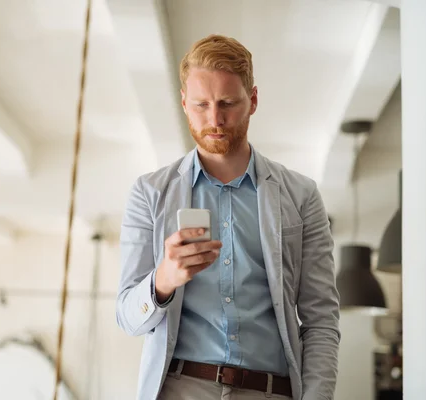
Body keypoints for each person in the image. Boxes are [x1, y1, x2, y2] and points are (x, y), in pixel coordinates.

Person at [116, 34, 340, 400]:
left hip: (270, 391)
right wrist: (163, 281)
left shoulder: (301, 196)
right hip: (181, 389)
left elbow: (321, 320)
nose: (214, 118)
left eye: (227, 103)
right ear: (184, 104)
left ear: (252, 100)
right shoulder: (150, 193)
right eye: (201, 104)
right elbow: (127, 316)